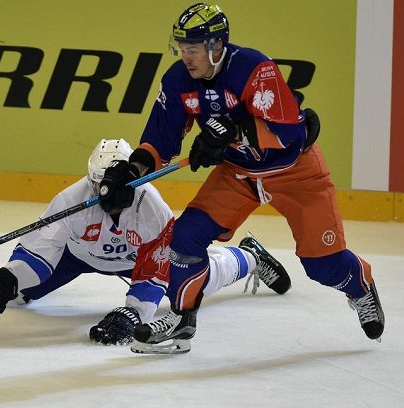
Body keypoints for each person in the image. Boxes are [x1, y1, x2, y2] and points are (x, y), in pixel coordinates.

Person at [98, 3, 385, 354]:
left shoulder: (254, 69)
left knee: (322, 265)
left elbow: (291, 134)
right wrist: (131, 171)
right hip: (238, 174)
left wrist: (232, 131)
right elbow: (160, 139)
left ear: (216, 46)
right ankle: (181, 321)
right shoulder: (177, 80)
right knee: (185, 237)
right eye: (181, 49)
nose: (186, 58)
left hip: (295, 172)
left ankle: (360, 285)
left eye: (193, 50)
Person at [0, 138, 291, 350]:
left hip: (134, 260)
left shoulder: (152, 209)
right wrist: (3, 280)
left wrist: (134, 314)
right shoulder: (69, 200)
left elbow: (153, 274)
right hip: (76, 255)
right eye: (97, 185)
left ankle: (249, 256)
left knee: (193, 279)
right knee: (18, 296)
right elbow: (38, 253)